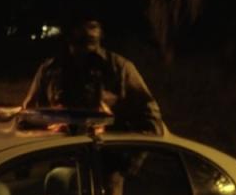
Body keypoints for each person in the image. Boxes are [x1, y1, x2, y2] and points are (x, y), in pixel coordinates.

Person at [21, 12, 164, 134]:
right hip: (61, 158)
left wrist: (112, 127)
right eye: (80, 26)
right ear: (69, 34)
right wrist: (51, 121)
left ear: (101, 32)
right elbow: (26, 117)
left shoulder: (120, 69)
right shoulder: (50, 70)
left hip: (109, 159)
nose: (88, 32)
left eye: (92, 26)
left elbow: (153, 124)